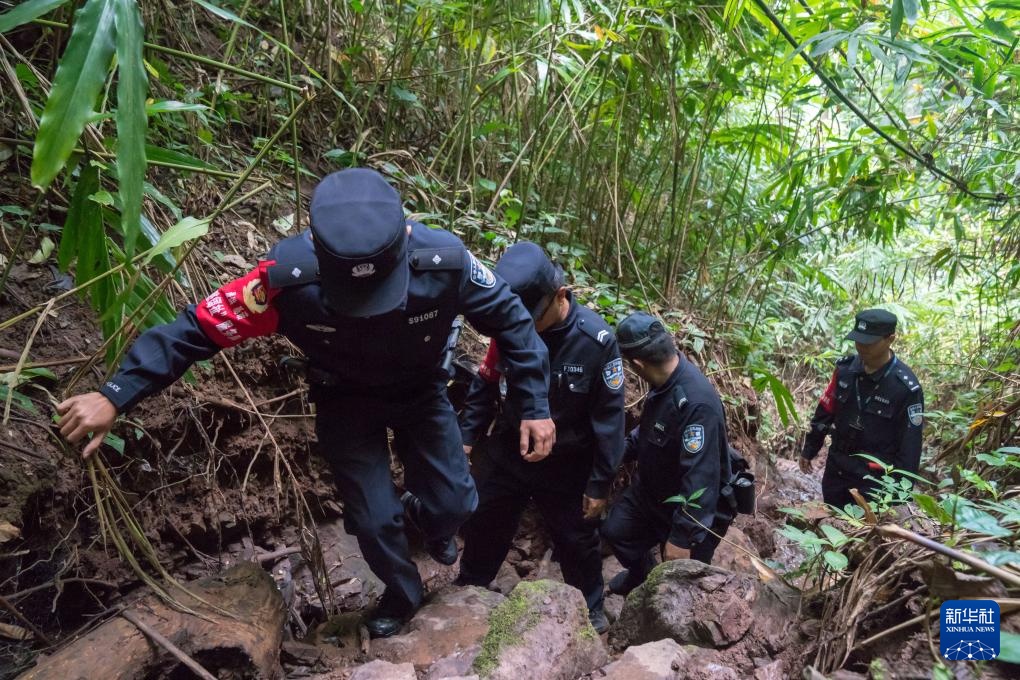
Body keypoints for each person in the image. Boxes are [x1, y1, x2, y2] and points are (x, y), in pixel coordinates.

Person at [55, 168, 555, 638]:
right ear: (319, 251)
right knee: (375, 522)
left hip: (420, 391)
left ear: (405, 237)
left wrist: (534, 403)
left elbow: (513, 321)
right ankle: (402, 596)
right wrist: (114, 394)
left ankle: (424, 519)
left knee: (457, 503)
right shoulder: (285, 281)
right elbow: (196, 329)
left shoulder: (444, 262)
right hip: (345, 399)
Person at [455, 242, 625, 633]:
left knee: (577, 538)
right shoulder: (509, 327)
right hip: (510, 449)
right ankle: (472, 586)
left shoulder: (596, 341)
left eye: (534, 316)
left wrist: (600, 483)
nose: (525, 325)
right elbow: (486, 384)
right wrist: (466, 438)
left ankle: (590, 609)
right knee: (486, 519)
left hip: (568, 460)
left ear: (561, 296)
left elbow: (609, 420)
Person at [601, 312, 734, 597]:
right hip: (653, 493)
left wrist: (682, 535)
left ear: (638, 364)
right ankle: (642, 577)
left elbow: (702, 479)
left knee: (681, 585)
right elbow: (646, 433)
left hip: (692, 507)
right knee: (616, 530)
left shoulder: (697, 404)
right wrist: (613, 456)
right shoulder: (663, 383)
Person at [799, 308, 924, 509]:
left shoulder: (905, 388)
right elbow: (825, 411)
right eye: (858, 340)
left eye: (869, 342)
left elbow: (910, 447)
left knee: (864, 537)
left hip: (873, 480)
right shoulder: (844, 370)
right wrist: (810, 448)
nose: (861, 347)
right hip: (837, 472)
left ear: (890, 339)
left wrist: (899, 498)